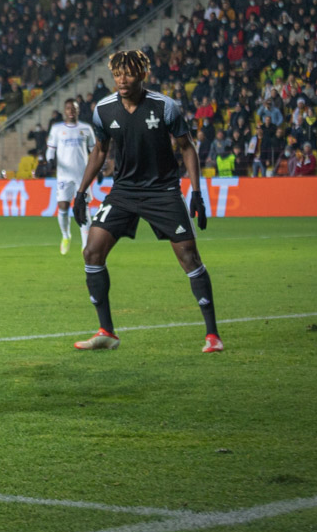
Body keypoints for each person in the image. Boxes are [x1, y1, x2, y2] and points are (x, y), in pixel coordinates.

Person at [72, 50, 222, 354]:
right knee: (92, 251)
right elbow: (100, 151)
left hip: (163, 191)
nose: (122, 79)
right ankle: (106, 332)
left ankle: (212, 335)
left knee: (189, 257)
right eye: (117, 74)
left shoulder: (165, 106)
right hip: (124, 191)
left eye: (128, 73)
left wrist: (196, 192)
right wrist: (81, 192)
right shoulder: (103, 110)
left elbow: (187, 147)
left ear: (142, 74)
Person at [46, 98, 96, 254]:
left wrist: (99, 169)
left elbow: (94, 151)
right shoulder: (57, 129)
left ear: (78, 110)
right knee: (63, 206)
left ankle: (86, 245)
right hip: (64, 176)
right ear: (64, 111)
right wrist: (50, 161)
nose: (71, 111)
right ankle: (66, 235)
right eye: (68, 108)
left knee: (83, 208)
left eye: (74, 108)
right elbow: (51, 150)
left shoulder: (86, 128)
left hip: (82, 176)